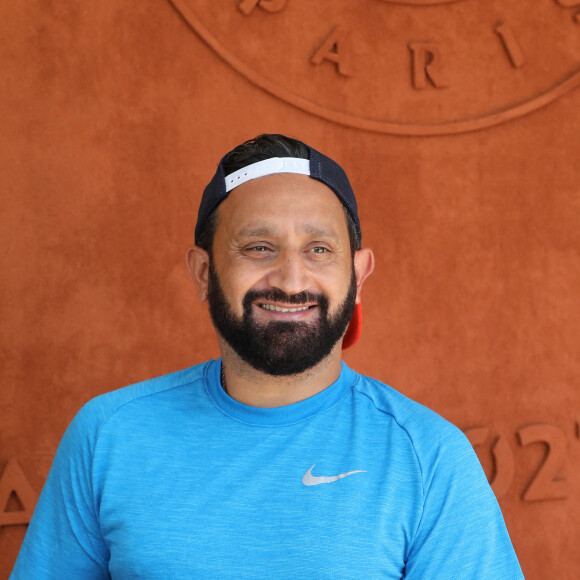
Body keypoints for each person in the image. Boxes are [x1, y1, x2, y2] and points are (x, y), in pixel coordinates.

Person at [11, 134, 524, 579]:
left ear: (359, 275)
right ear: (204, 273)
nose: (291, 279)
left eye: (318, 249)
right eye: (258, 247)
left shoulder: (428, 456)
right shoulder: (108, 435)